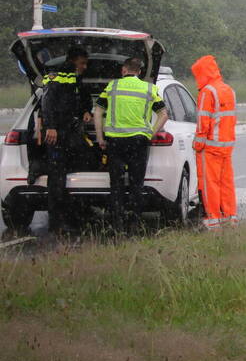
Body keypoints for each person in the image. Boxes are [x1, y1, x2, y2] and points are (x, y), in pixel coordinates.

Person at [94, 57, 168, 232]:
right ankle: (134, 223)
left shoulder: (112, 86)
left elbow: (98, 111)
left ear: (123, 70)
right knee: (136, 184)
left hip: (115, 142)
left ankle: (117, 223)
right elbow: (163, 114)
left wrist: (100, 138)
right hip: (138, 142)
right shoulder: (149, 88)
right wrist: (150, 134)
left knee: (116, 185)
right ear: (140, 72)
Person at [40, 46, 92, 233]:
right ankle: (56, 222)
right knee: (56, 178)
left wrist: (86, 110)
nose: (85, 67)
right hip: (57, 132)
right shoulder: (56, 76)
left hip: (71, 132)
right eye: (82, 63)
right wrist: (51, 126)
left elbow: (81, 97)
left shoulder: (75, 78)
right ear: (72, 61)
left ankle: (75, 216)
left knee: (82, 162)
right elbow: (47, 102)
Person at [191, 54, 237, 230]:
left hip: (210, 148)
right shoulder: (228, 90)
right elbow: (231, 120)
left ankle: (212, 220)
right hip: (226, 145)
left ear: (202, 73)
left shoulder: (207, 92)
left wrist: (198, 144)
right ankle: (229, 217)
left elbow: (204, 122)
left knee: (210, 184)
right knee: (226, 184)